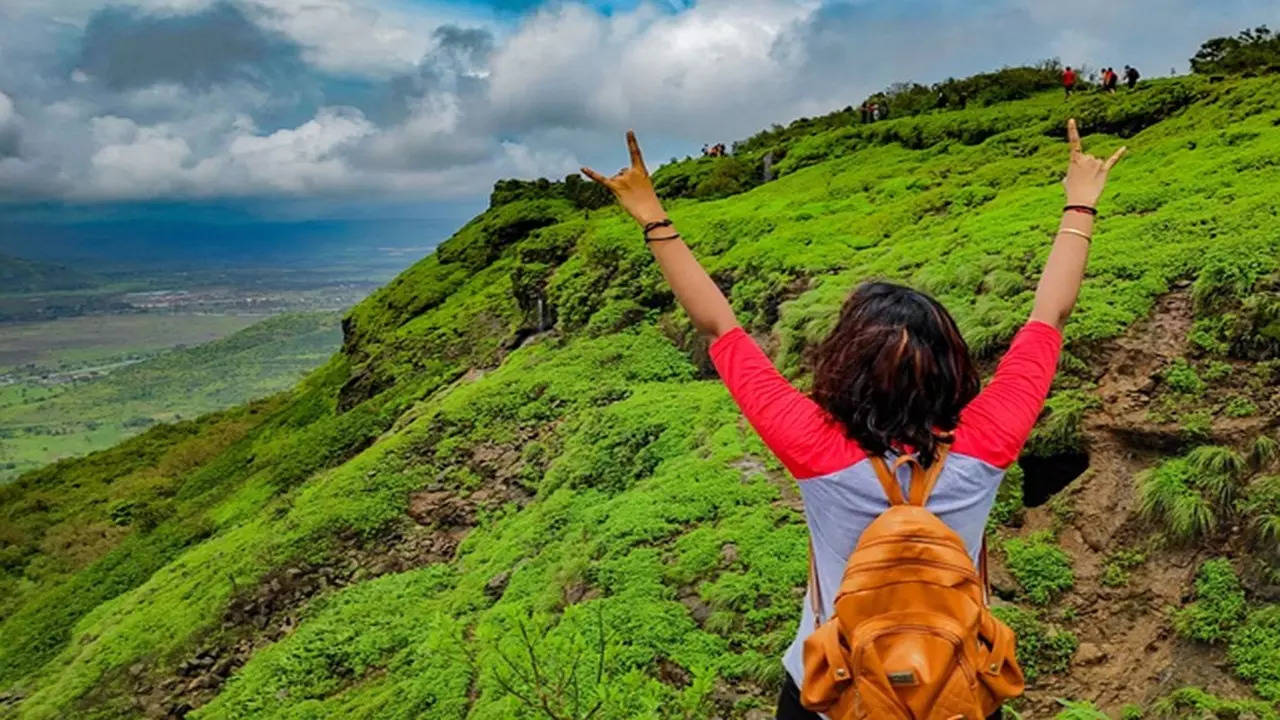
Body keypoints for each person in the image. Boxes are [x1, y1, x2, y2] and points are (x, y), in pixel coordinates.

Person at [582, 120, 1125, 720]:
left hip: (832, 692)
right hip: (957, 688)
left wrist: (653, 216)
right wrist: (1080, 202)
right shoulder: (990, 440)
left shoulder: (814, 446)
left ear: (841, 363)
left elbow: (719, 327)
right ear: (953, 367)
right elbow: (1051, 314)